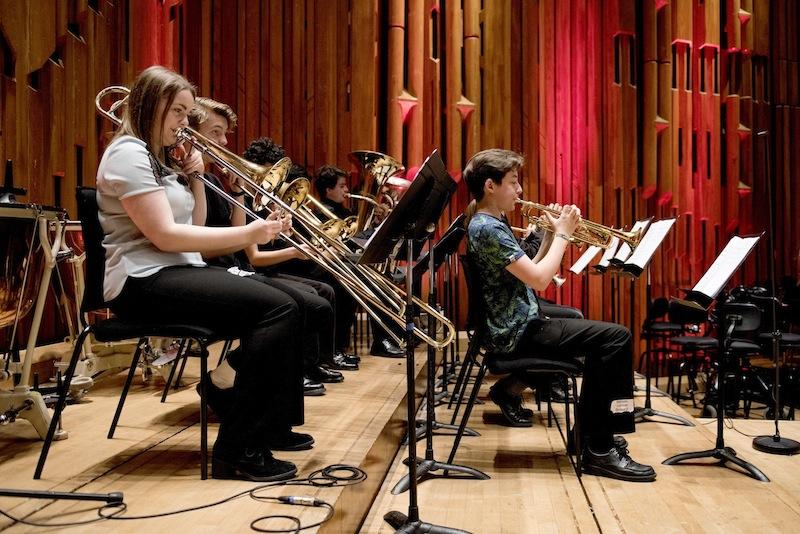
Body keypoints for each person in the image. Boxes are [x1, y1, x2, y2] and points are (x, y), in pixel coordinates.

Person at [96, 65, 305, 482]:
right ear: (150, 106)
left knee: (293, 304)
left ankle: (255, 425)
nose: (183, 125)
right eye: (177, 112)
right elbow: (166, 236)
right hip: (142, 281)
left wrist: (195, 179)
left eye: (187, 115)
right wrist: (250, 231)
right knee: (280, 309)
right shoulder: (128, 153)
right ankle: (237, 446)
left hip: (173, 270)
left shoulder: (159, 159)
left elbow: (196, 224)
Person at [464, 148, 655, 482]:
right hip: (517, 333)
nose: (520, 190)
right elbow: (540, 279)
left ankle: (594, 437)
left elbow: (531, 273)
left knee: (603, 339)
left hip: (520, 324)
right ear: (490, 186)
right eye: (513, 181)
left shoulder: (492, 223)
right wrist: (564, 235)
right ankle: (599, 448)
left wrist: (551, 234)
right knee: (617, 337)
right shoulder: (487, 228)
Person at [187, 98, 347, 398]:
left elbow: (238, 235)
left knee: (315, 298)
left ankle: (279, 395)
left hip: (232, 268)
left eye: (225, 134)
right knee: (301, 303)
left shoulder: (215, 181)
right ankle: (245, 384)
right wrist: (268, 237)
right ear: (194, 134)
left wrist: (241, 198)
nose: (224, 142)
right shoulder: (195, 179)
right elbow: (208, 244)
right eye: (216, 133)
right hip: (218, 271)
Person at [315, 165, 405, 358]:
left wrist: (379, 223)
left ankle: (390, 333)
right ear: (328, 190)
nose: (347, 190)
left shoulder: (346, 212)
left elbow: (361, 240)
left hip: (347, 264)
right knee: (369, 278)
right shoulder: (322, 214)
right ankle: (382, 339)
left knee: (383, 274)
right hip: (329, 268)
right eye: (342, 186)